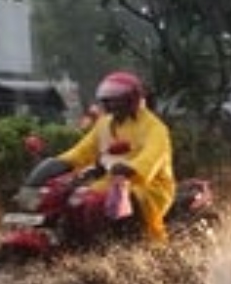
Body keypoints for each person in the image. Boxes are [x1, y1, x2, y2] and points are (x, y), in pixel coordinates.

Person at [55, 71, 176, 243]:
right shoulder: (104, 123)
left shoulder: (155, 128)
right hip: (114, 182)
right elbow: (81, 152)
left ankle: (129, 248)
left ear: (130, 100)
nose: (107, 104)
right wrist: (55, 164)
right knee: (77, 202)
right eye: (105, 100)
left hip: (148, 187)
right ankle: (80, 247)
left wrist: (130, 167)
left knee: (101, 207)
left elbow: (150, 159)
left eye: (114, 99)